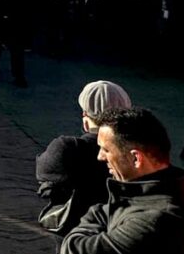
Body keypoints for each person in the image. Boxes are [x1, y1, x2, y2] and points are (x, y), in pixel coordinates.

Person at [59, 107, 184, 254]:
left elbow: (74, 252)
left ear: (136, 158)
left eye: (106, 150)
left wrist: (95, 215)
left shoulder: (156, 220)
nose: (100, 157)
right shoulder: (172, 188)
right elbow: (107, 211)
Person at [36, 81, 132, 242]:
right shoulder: (139, 153)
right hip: (122, 234)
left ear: (86, 118)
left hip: (77, 234)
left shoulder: (70, 148)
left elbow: (43, 172)